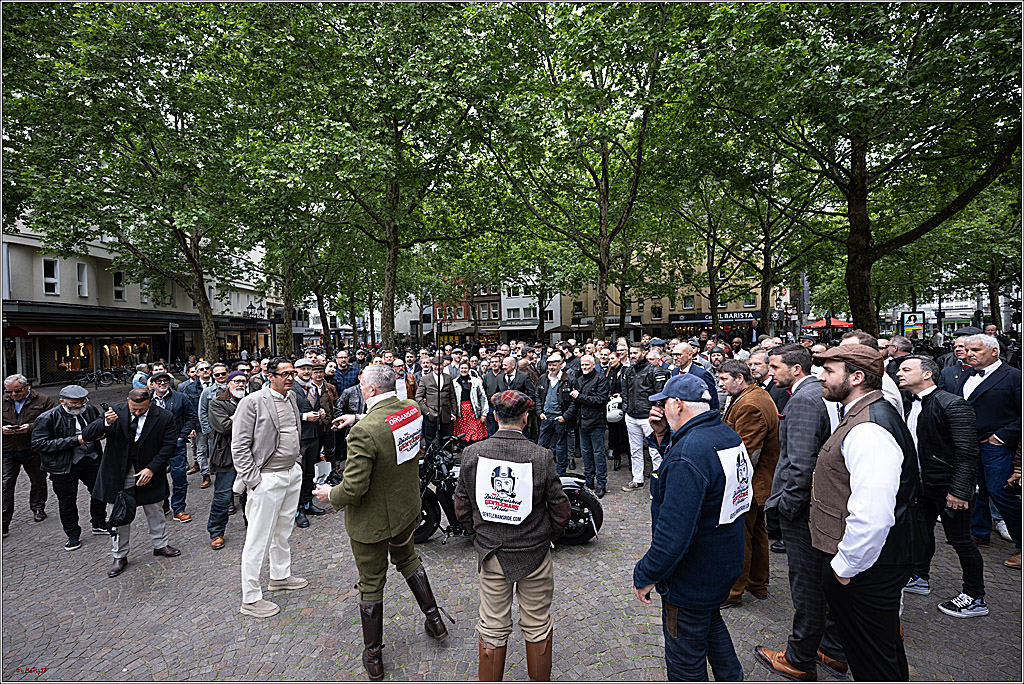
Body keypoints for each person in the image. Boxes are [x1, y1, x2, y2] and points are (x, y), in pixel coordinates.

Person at [313, 365, 450, 681]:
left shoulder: (364, 433)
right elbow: (387, 423)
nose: (360, 387)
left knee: (372, 582)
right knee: (409, 560)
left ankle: (373, 655)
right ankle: (435, 621)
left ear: (372, 390)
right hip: (407, 508)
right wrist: (357, 418)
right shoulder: (411, 408)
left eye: (362, 384)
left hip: (374, 521)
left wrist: (329, 494)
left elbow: (353, 488)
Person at [808, 344, 921, 681]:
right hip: (872, 563)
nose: (821, 377)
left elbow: (873, 514)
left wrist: (844, 568)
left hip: (869, 567)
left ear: (856, 378)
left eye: (829, 372)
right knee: (880, 650)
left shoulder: (869, 427)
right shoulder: (865, 413)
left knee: (871, 659)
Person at [633, 374, 750, 681]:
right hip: (721, 563)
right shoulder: (725, 435)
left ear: (677, 404)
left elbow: (674, 535)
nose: (661, 412)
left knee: (686, 660)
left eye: (664, 405)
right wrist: (661, 438)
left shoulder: (689, 454)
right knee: (710, 623)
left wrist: (646, 574)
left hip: (692, 576)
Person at [453, 390, 570, 682]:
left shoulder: (472, 453)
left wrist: (477, 535)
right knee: (538, 624)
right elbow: (561, 510)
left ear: (494, 417)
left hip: (492, 552)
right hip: (533, 552)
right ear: (526, 418)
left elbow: (461, 506)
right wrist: (546, 537)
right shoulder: (541, 456)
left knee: (492, 625)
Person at [756, 344, 847, 682]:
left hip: (804, 509)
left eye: (775, 366)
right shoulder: (813, 394)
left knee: (806, 584)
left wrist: (787, 509)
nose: (770, 371)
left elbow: (800, 462)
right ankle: (831, 649)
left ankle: (799, 658)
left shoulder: (804, 400)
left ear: (795, 369)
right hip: (816, 504)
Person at [896, 355, 986, 616]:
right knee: (922, 534)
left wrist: (958, 490)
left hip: (947, 486)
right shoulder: (908, 403)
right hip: (922, 485)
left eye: (906, 369)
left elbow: (967, 453)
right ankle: (920, 577)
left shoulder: (952, 404)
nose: (899, 373)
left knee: (961, 540)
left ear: (927, 374)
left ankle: (975, 596)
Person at [231, 357, 308, 618]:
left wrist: (296, 464)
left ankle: (280, 576)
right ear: (269, 375)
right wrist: (254, 480)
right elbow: (239, 446)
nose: (290, 378)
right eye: (284, 373)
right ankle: (250, 598)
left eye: (292, 373)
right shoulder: (251, 402)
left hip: (291, 474)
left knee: (283, 531)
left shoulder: (292, 398)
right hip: (266, 478)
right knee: (258, 538)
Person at [85, 388, 181, 578]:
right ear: (128, 401)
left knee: (155, 509)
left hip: (148, 471)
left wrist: (152, 468)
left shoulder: (164, 416)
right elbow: (88, 434)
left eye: (141, 410)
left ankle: (160, 545)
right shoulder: (115, 411)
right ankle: (119, 555)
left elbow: (169, 445)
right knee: (118, 513)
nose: (136, 413)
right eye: (133, 409)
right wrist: (105, 423)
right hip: (117, 472)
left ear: (150, 402)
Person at [717, 360, 780, 609]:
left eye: (723, 379)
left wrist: (730, 484)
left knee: (740, 537)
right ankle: (758, 583)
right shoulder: (750, 395)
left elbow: (745, 452)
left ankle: (733, 592)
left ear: (739, 379)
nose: (720, 384)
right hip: (757, 483)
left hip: (751, 484)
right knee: (756, 533)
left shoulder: (751, 404)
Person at [958, 334, 1022, 568]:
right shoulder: (966, 373)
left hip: (997, 447)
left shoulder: (1014, 377)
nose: (970, 353)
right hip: (970, 445)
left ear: (994, 352)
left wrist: (1001, 436)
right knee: (977, 490)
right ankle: (979, 532)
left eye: (976, 350)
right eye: (968, 350)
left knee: (1001, 493)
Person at [30, 385, 107, 549]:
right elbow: (39, 444)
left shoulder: (89, 410)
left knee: (100, 491)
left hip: (91, 459)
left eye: (82, 401)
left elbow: (96, 427)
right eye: (74, 403)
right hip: (63, 465)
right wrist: (75, 440)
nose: (79, 406)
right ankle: (72, 535)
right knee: (67, 501)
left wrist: (102, 432)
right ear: (62, 401)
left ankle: (99, 523)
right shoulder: (47, 418)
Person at [3, 374, 53, 534]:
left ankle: (38, 507)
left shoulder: (43, 400)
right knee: (6, 485)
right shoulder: (3, 400)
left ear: (26, 387)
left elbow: (52, 422)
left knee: (38, 480)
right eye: (9, 392)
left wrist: (30, 427)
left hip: (33, 448)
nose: (13, 395)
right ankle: (4, 519)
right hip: (8, 449)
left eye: (16, 391)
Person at [149, 371, 199, 523]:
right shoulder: (147, 399)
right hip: (154, 445)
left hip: (176, 443)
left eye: (165, 381)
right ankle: (163, 504)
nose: (163, 383)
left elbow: (191, 417)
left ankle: (179, 508)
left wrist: (182, 436)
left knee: (179, 476)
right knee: (158, 476)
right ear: (153, 384)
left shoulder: (180, 398)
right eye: (159, 381)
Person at [621, 344, 671, 492]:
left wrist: (655, 413)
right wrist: (626, 408)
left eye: (635, 353)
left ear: (643, 353)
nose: (632, 355)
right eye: (631, 353)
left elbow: (659, 394)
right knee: (635, 449)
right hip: (631, 415)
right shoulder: (629, 371)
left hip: (648, 417)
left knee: (655, 451)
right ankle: (637, 479)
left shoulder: (654, 371)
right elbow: (625, 391)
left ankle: (659, 483)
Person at [207, 370, 248, 550]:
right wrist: (243, 418)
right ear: (229, 383)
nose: (240, 384)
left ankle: (253, 526)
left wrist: (235, 419)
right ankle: (216, 532)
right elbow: (224, 427)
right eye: (236, 381)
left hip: (249, 455)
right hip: (226, 456)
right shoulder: (217, 403)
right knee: (223, 496)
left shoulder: (251, 400)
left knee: (251, 494)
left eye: (243, 381)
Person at [564, 354, 610, 497]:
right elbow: (575, 402)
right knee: (586, 453)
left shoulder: (600, 379)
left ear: (592, 365)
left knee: (598, 453)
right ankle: (589, 480)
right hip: (582, 422)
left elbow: (601, 400)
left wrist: (580, 397)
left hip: (596, 422)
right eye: (582, 365)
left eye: (587, 365)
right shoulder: (579, 380)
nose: (584, 367)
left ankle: (601, 483)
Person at [291, 358, 327, 528]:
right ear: (296, 370)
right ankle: (297, 510)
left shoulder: (313, 387)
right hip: (300, 437)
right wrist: (304, 417)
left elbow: (316, 405)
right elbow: (284, 414)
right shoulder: (292, 389)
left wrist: (321, 411)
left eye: (308, 369)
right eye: (302, 369)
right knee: (298, 474)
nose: (306, 372)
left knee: (310, 473)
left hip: (314, 435)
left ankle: (307, 503)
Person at [535, 352, 573, 475]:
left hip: (559, 418)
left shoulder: (568, 379)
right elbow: (538, 396)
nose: (551, 368)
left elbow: (574, 401)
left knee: (561, 447)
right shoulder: (543, 378)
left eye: (554, 365)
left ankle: (561, 473)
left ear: (560, 365)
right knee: (541, 446)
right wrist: (539, 412)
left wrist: (565, 416)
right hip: (545, 417)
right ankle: (542, 471)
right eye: (549, 365)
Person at [415, 356, 457, 447]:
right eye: (435, 365)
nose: (438, 367)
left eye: (440, 365)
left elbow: (452, 396)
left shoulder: (448, 378)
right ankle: (431, 460)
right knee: (430, 439)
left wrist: (454, 412)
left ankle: (447, 459)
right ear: (431, 365)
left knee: (447, 439)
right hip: (431, 414)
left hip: (446, 414)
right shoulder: (425, 379)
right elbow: (418, 397)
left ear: (443, 365)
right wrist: (427, 411)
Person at [604, 345, 628, 472]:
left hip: (623, 406)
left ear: (619, 358)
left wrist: (621, 395)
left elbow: (629, 387)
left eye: (612, 358)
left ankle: (630, 459)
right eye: (609, 359)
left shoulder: (626, 370)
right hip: (612, 407)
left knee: (624, 435)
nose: (610, 361)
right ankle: (617, 459)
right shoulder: (609, 372)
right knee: (613, 435)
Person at [453, 361, 488, 443]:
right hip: (460, 412)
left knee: (474, 435)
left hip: (474, 411)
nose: (463, 370)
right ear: (459, 369)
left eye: (465, 368)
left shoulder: (476, 381)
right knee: (463, 435)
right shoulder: (454, 382)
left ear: (469, 369)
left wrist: (484, 413)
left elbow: (482, 397)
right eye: (462, 368)